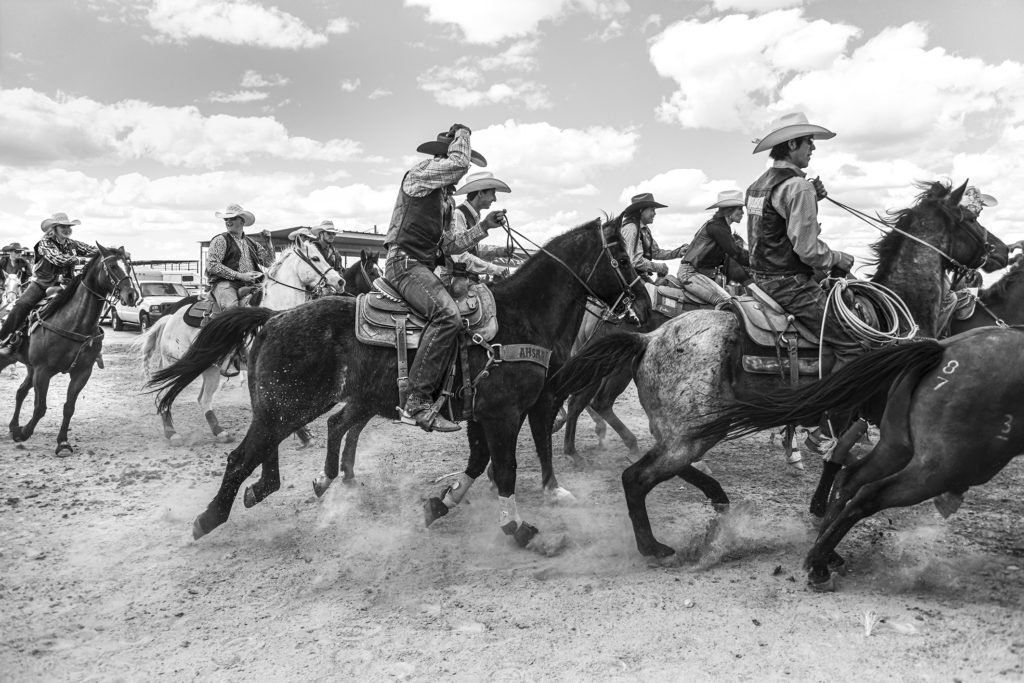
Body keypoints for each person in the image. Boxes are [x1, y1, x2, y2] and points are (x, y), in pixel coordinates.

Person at [384, 124, 501, 433]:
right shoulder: (419, 176)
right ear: (443, 158)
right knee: (448, 315)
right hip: (404, 264)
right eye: (456, 163)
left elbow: (449, 246)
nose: (461, 175)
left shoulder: (445, 202)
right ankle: (417, 402)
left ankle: (445, 392)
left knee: (458, 316)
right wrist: (463, 132)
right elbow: (460, 163)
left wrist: (484, 227)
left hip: (419, 267)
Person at [745, 112, 860, 364]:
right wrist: (837, 258)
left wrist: (812, 199)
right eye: (809, 141)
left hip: (760, 279)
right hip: (789, 284)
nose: (814, 147)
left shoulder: (756, 186)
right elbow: (808, 250)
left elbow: (774, 225)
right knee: (854, 344)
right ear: (793, 144)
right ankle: (837, 403)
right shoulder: (798, 186)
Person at [0, 213, 98, 349]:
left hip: (67, 283)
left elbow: (92, 250)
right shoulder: (44, 242)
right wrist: (80, 259)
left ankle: (91, 342)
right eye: (63, 226)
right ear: (54, 228)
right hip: (42, 283)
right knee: (22, 304)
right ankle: (5, 338)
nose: (67, 229)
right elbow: (58, 259)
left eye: (69, 226)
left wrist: (111, 252)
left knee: (88, 302)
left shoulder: (73, 244)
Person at [673, 189, 753, 305]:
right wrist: (759, 262)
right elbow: (736, 253)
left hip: (696, 273)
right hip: (690, 274)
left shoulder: (719, 226)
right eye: (739, 209)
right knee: (726, 302)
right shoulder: (717, 227)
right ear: (729, 211)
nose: (743, 212)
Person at [445, 171, 512, 282]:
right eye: (493, 193)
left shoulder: (473, 215)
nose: (494, 199)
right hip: (453, 281)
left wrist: (497, 251)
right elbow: (460, 256)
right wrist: (494, 268)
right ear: (480, 193)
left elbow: (472, 249)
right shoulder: (458, 214)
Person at [206, 204, 274, 311]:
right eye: (226, 219)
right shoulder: (220, 239)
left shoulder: (252, 243)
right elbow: (212, 265)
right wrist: (240, 276)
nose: (228, 221)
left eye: (232, 218)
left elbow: (269, 262)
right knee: (232, 309)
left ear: (242, 221)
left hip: (252, 284)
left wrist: (268, 242)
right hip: (225, 284)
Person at [619, 192, 686, 282]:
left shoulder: (644, 230)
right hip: (629, 280)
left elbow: (656, 252)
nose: (654, 214)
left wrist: (679, 252)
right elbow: (635, 261)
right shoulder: (631, 228)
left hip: (639, 277)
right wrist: (660, 267)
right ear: (641, 211)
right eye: (652, 210)